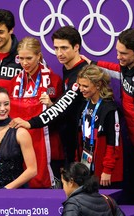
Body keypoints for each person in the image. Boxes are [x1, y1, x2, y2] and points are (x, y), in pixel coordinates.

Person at [83, 28, 134, 206]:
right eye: (117, 51)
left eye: (123, 53)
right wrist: (93, 63)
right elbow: (116, 70)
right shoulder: (130, 66)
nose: (119, 57)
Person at [10, 26, 88, 165]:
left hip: (80, 139)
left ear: (76, 47)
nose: (59, 53)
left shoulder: (81, 73)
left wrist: (30, 123)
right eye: (56, 48)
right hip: (68, 136)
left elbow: (62, 107)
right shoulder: (68, 67)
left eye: (64, 48)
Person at [9, 36, 63, 187]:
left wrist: (52, 105)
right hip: (20, 144)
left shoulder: (53, 80)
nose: (24, 63)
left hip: (48, 143)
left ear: (39, 56)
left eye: (29, 58)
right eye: (21, 58)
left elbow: (64, 115)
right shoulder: (14, 82)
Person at [77, 65, 123, 187]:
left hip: (104, 172)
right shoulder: (85, 104)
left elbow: (114, 143)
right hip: (87, 168)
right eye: (80, 85)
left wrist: (107, 170)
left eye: (85, 86)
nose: (81, 89)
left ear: (98, 85)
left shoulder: (109, 109)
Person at [61, 162, 125, 216]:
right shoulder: (109, 200)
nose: (63, 188)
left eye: (63, 183)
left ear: (71, 182)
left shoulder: (73, 204)